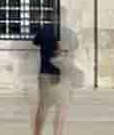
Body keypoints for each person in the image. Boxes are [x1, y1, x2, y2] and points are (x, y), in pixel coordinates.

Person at [32, 7, 77, 135]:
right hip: (63, 75)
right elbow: (74, 48)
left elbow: (35, 42)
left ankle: (37, 133)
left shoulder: (44, 30)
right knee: (61, 108)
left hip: (45, 73)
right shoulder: (69, 32)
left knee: (43, 107)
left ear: (52, 17)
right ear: (65, 17)